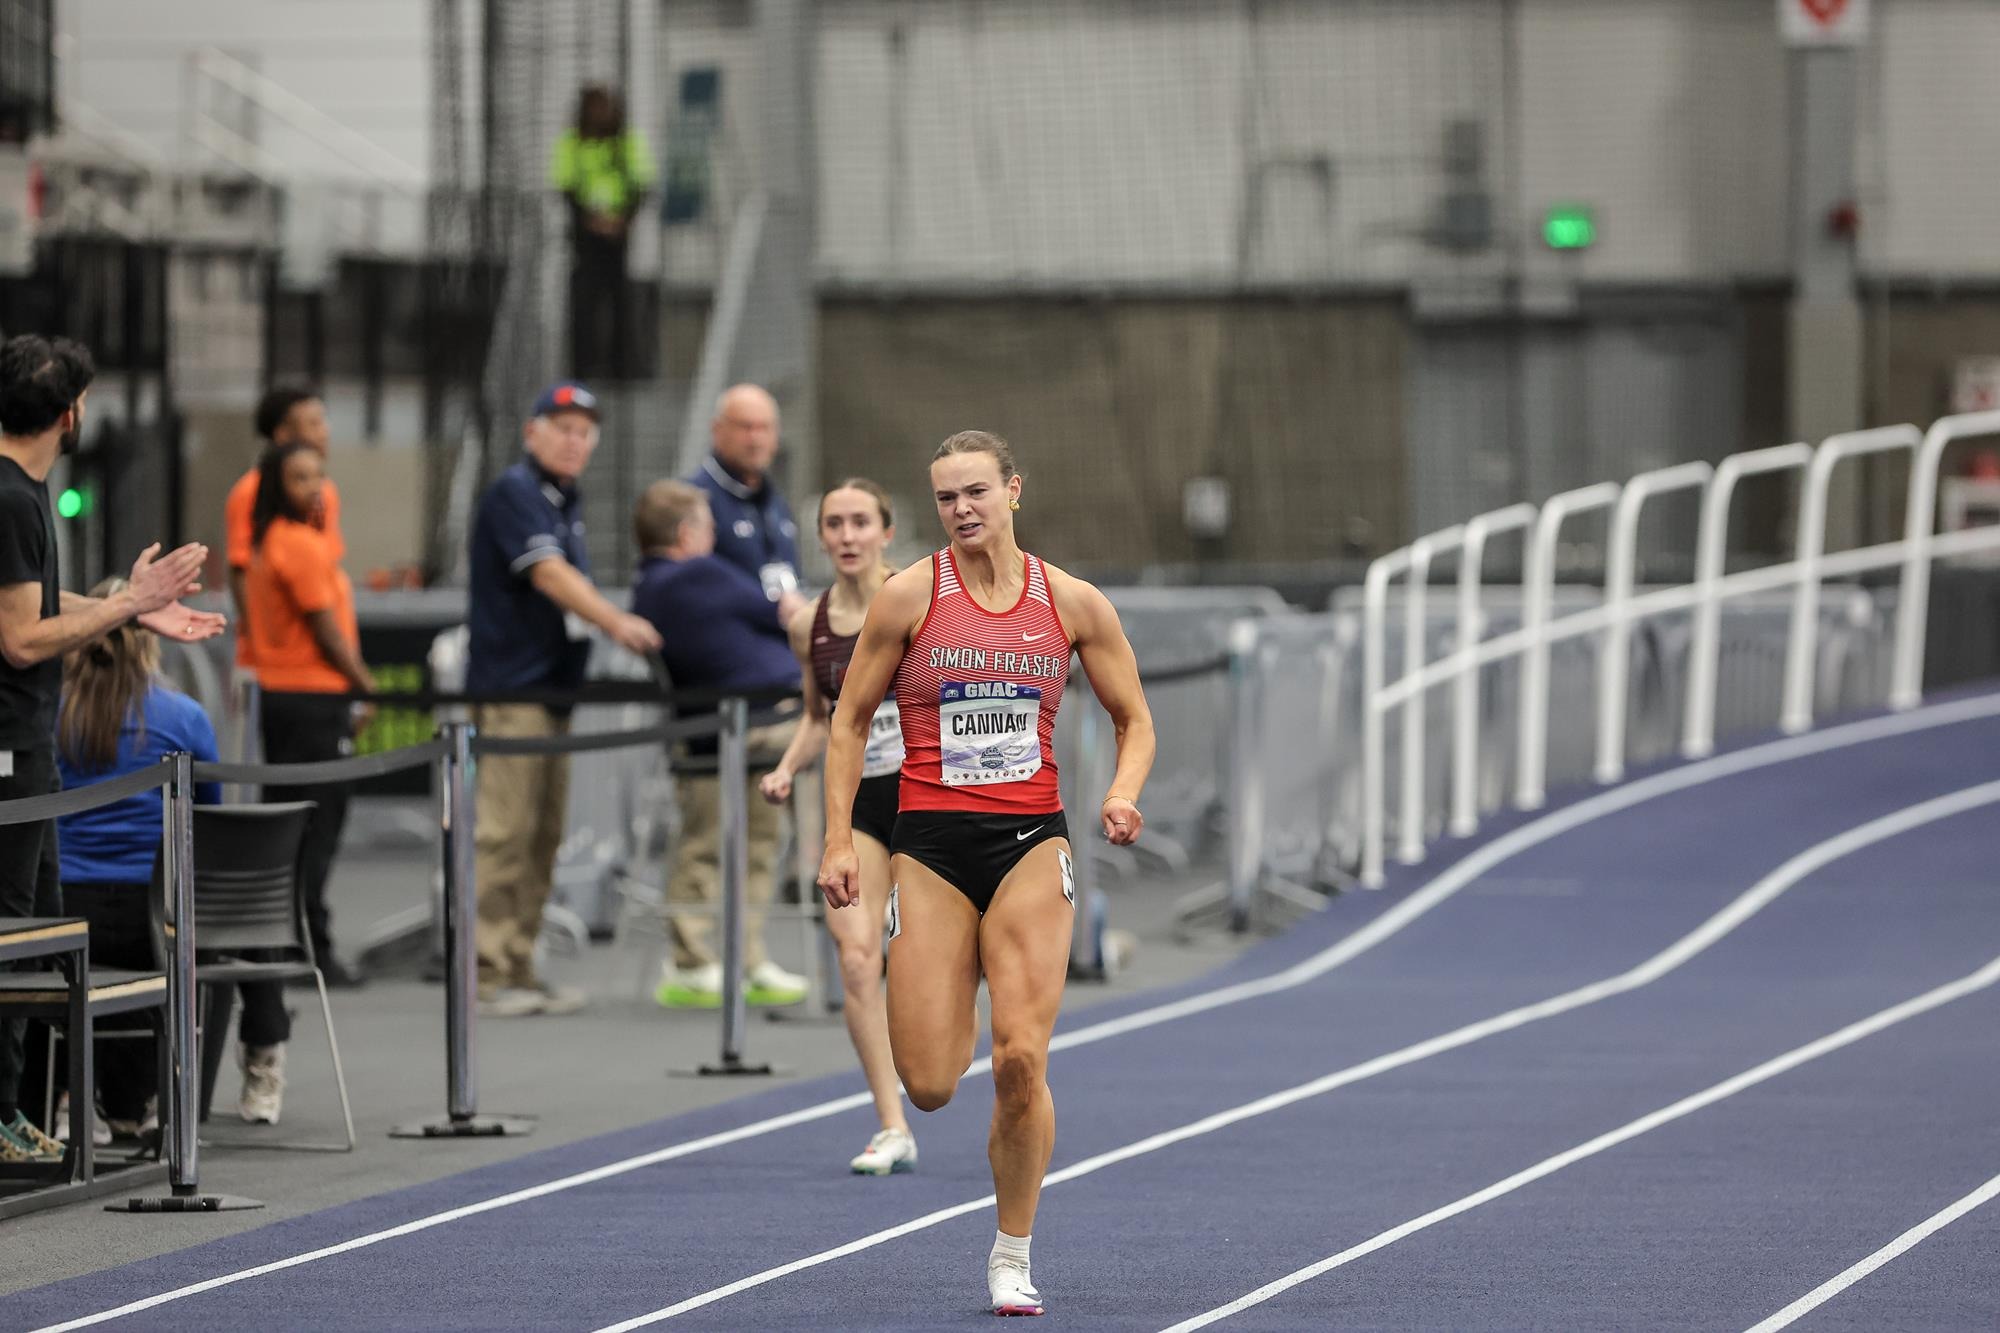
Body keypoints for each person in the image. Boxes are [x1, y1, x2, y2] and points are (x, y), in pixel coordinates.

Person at [818, 431, 1155, 1317]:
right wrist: (839, 840)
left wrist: (1122, 792)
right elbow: (848, 721)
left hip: (1031, 845)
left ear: (1014, 489)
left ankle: (1013, 1249)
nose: (962, 509)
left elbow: (1135, 718)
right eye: (945, 497)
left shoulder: (1071, 602)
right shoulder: (908, 597)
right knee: (929, 1082)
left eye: (976, 491)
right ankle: (949, 1005)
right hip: (927, 847)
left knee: (1018, 1057)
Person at [0, 333, 224, 1163]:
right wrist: (128, 599)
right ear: (70, 414)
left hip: (31, 758)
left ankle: (20, 1111)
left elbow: (28, 612)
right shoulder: (12, 500)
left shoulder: (21, 497)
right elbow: (23, 639)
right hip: (11, 761)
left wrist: (131, 610)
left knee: (39, 937)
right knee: (13, 937)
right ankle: (6, 1116)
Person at [467, 381, 661, 1018]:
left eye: (584, 431)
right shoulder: (515, 494)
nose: (575, 440)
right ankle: (488, 972)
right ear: (533, 432)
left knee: (545, 834)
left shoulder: (562, 501)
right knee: (504, 833)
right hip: (512, 691)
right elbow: (549, 575)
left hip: (553, 691)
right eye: (562, 427)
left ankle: (520, 964)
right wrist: (615, 622)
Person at [759, 478, 915, 1174]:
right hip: (856, 803)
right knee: (857, 957)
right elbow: (822, 717)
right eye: (834, 523)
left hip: (928, 795)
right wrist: (789, 767)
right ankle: (891, 1123)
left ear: (885, 531)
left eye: (861, 522)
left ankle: (938, 1048)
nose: (848, 535)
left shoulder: (917, 599)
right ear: (821, 537)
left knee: (925, 956)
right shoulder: (807, 624)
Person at [631, 480, 810, 1008]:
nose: (713, 536)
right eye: (708, 527)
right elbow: (781, 612)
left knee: (760, 844)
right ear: (687, 534)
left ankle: (747, 958)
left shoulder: (672, 581)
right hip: (716, 737)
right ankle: (691, 962)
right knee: (706, 845)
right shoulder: (693, 574)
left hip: (759, 729)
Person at [54, 578, 221, 1138]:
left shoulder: (54, 717)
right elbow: (210, 816)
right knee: (173, 957)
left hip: (63, 917)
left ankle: (66, 1096)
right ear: (150, 642)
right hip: (153, 916)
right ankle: (145, 1104)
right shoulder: (185, 717)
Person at [242, 440, 375, 1117]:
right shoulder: (295, 544)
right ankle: (300, 940)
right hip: (312, 699)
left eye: (319, 474)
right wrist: (366, 684)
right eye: (299, 476)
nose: (315, 486)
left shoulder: (284, 541)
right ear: (276, 485)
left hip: (290, 700)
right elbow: (326, 630)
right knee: (312, 830)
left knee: (298, 827)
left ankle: (292, 936)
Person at [226, 383, 341, 702]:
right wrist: (263, 651)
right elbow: (241, 572)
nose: (325, 432)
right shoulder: (249, 493)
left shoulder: (326, 493)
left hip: (322, 671)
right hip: (272, 674)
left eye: (324, 421)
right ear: (282, 434)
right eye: (314, 423)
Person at [552, 84, 654, 381]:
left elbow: (642, 184)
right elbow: (566, 187)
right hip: (585, 236)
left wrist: (620, 221)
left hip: (618, 236)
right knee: (584, 301)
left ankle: (622, 371)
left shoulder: (627, 143)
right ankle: (582, 369)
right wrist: (591, 220)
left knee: (620, 299)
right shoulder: (572, 142)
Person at [691, 384, 799, 605]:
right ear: (717, 429)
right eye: (746, 427)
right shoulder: (692, 500)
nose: (755, 439)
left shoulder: (776, 501)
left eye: (764, 428)